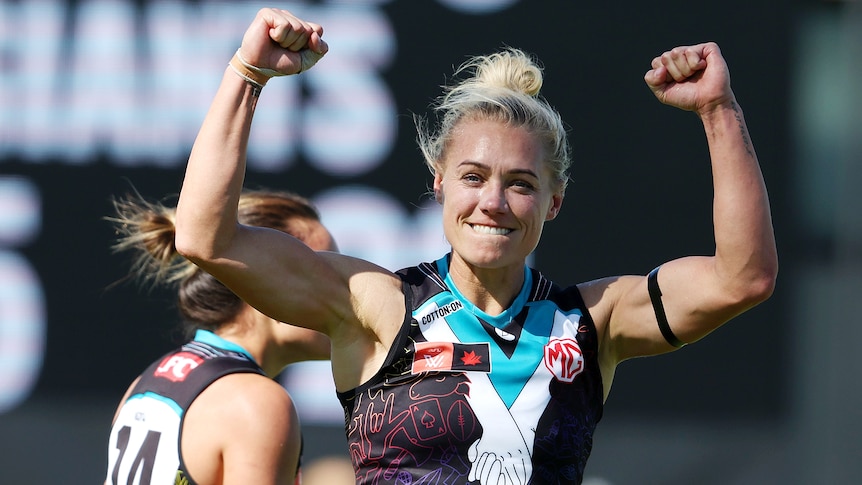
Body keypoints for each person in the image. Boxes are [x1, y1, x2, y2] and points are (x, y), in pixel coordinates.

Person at [173, 7, 778, 484]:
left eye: (521, 184)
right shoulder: (376, 307)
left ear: (555, 200)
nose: (492, 201)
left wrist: (717, 109)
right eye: (472, 177)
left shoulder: (594, 320)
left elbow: (743, 278)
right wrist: (248, 74)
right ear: (438, 182)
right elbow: (206, 236)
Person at [104, 189, 338, 485]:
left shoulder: (145, 383)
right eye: (326, 271)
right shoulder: (257, 404)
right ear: (269, 279)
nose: (343, 292)